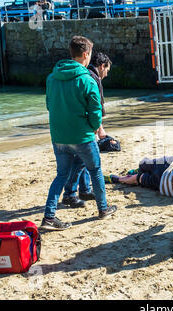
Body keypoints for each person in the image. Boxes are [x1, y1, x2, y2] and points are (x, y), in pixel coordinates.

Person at [41, 36, 117, 231]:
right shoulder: (87, 79)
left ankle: (49, 217)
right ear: (86, 54)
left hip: (59, 136)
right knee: (95, 170)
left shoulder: (52, 77)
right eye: (90, 54)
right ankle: (103, 208)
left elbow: (50, 105)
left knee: (61, 176)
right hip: (82, 136)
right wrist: (92, 128)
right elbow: (95, 112)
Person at [61, 52, 115, 208]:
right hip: (85, 128)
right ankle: (71, 193)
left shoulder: (85, 74)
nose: (106, 74)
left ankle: (84, 189)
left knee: (81, 161)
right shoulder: (93, 78)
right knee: (82, 162)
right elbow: (97, 106)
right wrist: (99, 130)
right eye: (107, 70)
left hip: (71, 125)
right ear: (102, 66)